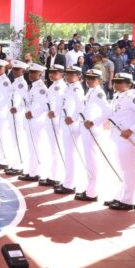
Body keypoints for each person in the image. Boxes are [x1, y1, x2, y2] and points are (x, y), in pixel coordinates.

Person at [106, 72, 135, 211]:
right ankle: (121, 196)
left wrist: (132, 130)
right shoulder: (117, 96)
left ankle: (127, 200)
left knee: (128, 169)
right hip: (118, 137)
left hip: (128, 138)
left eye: (120, 82)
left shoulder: (132, 98)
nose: (116, 84)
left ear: (129, 84)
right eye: (115, 81)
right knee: (122, 169)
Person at [75, 69, 111, 202]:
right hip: (86, 128)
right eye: (88, 78)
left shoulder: (99, 93)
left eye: (92, 79)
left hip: (91, 130)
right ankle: (90, 189)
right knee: (89, 160)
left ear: (100, 81)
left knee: (92, 160)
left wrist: (94, 122)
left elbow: (108, 111)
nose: (89, 80)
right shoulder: (91, 91)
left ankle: (92, 192)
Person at [54, 66, 85, 195]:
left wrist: (73, 118)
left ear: (78, 76)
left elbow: (80, 105)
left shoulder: (77, 88)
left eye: (72, 74)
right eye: (67, 74)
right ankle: (68, 181)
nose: (68, 76)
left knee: (71, 155)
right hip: (66, 123)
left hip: (71, 124)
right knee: (68, 154)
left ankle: (70, 184)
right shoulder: (70, 87)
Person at [17, 63, 48, 182]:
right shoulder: (34, 86)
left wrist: (32, 113)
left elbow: (43, 104)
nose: (31, 74)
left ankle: (34, 173)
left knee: (35, 146)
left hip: (36, 120)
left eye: (34, 72)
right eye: (30, 72)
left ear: (40, 74)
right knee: (31, 147)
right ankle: (32, 171)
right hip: (31, 120)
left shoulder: (40, 87)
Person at [41, 64, 67, 186]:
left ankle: (57, 177)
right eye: (50, 72)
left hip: (56, 121)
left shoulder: (61, 86)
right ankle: (53, 175)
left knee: (57, 149)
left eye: (55, 72)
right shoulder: (53, 86)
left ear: (61, 74)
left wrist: (55, 113)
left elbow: (62, 103)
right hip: (50, 121)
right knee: (53, 149)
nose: (51, 74)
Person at [5, 61, 28, 175]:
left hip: (17, 115)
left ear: (23, 71)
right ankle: (14, 164)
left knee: (18, 140)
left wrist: (17, 109)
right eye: (14, 69)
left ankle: (19, 166)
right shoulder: (15, 82)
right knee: (14, 140)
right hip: (12, 114)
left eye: (17, 70)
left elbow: (25, 100)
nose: (14, 71)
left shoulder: (22, 83)